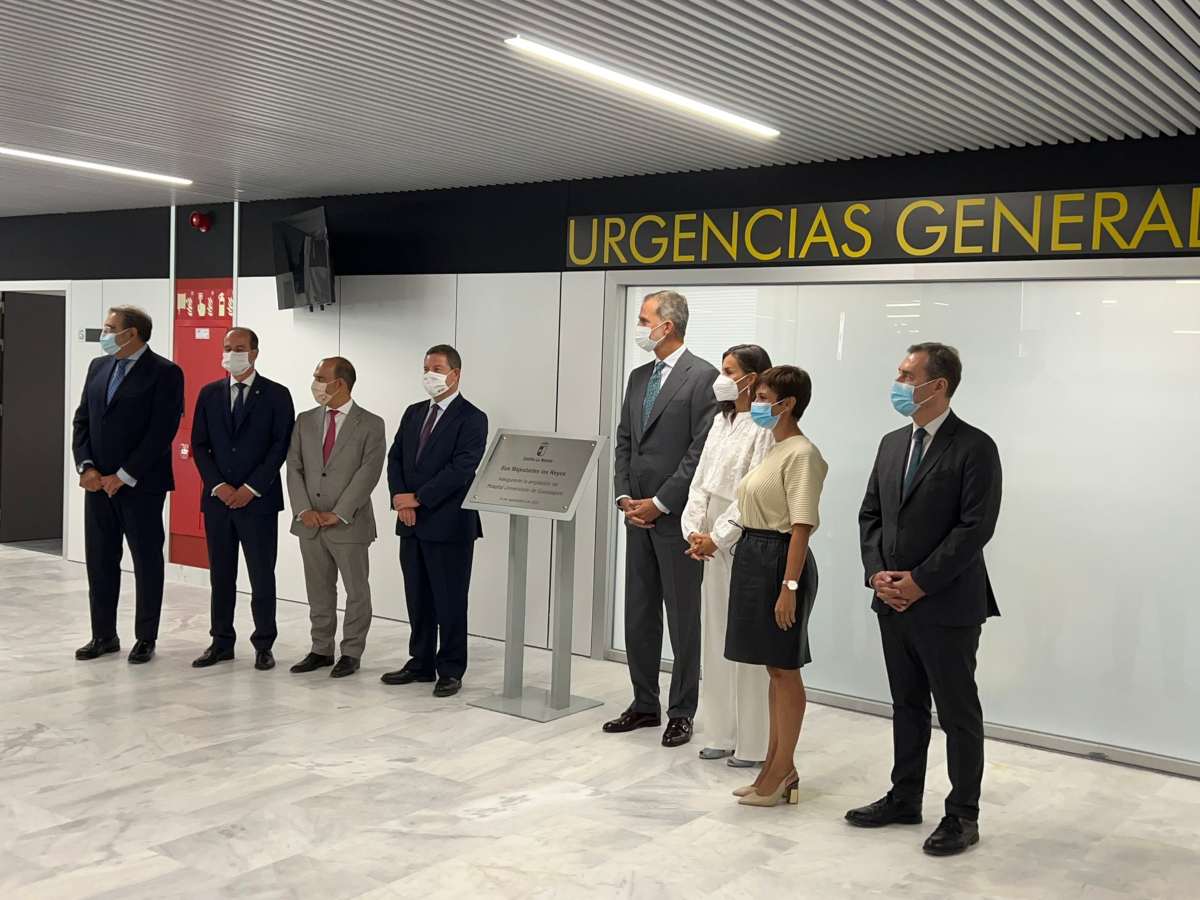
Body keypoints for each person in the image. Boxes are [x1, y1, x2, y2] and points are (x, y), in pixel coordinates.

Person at [845, 342, 1002, 857]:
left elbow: (975, 528)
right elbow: (871, 514)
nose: (897, 380)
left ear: (937, 385)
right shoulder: (892, 443)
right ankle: (905, 796)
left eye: (906, 373)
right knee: (907, 704)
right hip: (891, 601)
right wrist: (878, 577)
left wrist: (920, 581)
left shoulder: (975, 447)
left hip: (947, 604)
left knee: (958, 712)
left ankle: (962, 815)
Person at [604, 290, 718, 748]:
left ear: (666, 326)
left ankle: (682, 711)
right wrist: (626, 497)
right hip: (638, 517)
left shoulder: (703, 377)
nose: (639, 326)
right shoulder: (637, 377)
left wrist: (661, 502)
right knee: (639, 613)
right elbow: (625, 440)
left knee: (683, 619)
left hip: (677, 520)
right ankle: (644, 704)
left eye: (643, 318)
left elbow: (700, 452)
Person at [724, 366, 827, 807]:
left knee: (786, 667)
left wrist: (789, 585)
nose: (756, 401)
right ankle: (773, 765)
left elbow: (801, 526)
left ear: (788, 404)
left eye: (764, 396)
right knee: (773, 667)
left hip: (781, 561)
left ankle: (783, 770)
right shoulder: (774, 447)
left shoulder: (801, 453)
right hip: (754, 555)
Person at [71, 305, 184, 665]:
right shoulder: (99, 367)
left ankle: (145, 638)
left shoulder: (165, 372)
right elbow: (82, 421)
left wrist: (123, 475)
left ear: (131, 333)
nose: (104, 333)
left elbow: (161, 432)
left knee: (147, 562)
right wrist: (86, 466)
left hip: (141, 486)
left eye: (109, 328)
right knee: (100, 561)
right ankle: (103, 635)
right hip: (97, 486)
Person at [683, 344, 774, 768]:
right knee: (715, 632)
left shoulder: (764, 426)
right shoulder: (720, 421)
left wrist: (719, 536)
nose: (721, 377)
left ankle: (754, 742)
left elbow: (752, 490)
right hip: (709, 536)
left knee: (747, 637)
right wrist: (695, 530)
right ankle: (720, 729)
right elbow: (700, 481)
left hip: (745, 534)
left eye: (729, 370)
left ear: (751, 378)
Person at [381, 345, 488, 699]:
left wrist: (420, 498)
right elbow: (395, 457)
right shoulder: (413, 413)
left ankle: (451, 668)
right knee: (418, 596)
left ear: (455, 374)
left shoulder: (473, 417)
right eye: (426, 367)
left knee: (450, 599)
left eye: (437, 368)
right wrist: (401, 499)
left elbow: (462, 468)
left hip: (449, 524)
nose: (430, 374)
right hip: (410, 522)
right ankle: (421, 662)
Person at [189, 327, 295, 672]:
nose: (232, 354)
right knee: (221, 575)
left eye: (239, 348)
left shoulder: (277, 395)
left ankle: (264, 644)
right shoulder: (208, 394)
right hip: (218, 501)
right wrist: (218, 485)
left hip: (258, 502)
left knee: (262, 575)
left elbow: (280, 446)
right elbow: (200, 445)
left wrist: (249, 488)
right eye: (227, 348)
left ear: (254, 353)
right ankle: (221, 642)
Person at [285, 357, 386, 678]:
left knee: (356, 591)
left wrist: (339, 513)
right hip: (309, 523)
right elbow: (294, 467)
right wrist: (304, 510)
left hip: (349, 524)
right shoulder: (304, 420)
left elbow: (368, 474)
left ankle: (351, 652)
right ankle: (321, 649)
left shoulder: (371, 423)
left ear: (340, 383)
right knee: (319, 589)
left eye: (320, 377)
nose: (314, 382)